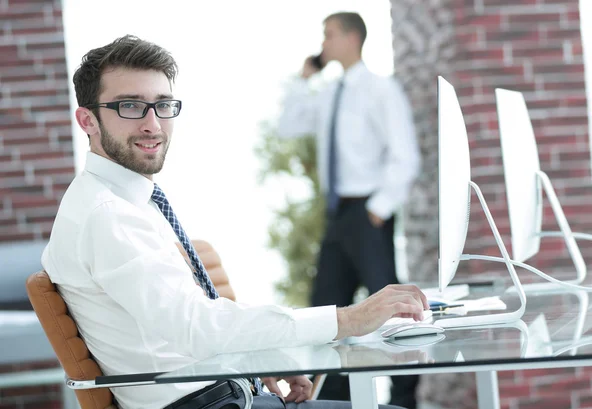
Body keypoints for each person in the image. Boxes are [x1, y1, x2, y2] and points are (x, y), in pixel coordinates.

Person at [40, 35, 428, 409]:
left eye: (162, 105)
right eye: (130, 106)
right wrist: (347, 318)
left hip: (223, 392)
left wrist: (258, 359)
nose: (153, 124)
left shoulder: (127, 200)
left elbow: (176, 328)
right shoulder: (107, 215)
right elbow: (194, 326)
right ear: (87, 120)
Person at [277, 12, 422, 408]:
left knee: (394, 313)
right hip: (337, 216)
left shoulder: (380, 89)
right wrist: (303, 78)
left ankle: (405, 400)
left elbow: (404, 156)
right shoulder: (328, 92)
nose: (323, 43)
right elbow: (287, 126)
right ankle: (334, 401)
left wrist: (376, 211)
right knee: (326, 312)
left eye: (329, 35)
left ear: (352, 37)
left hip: (367, 215)